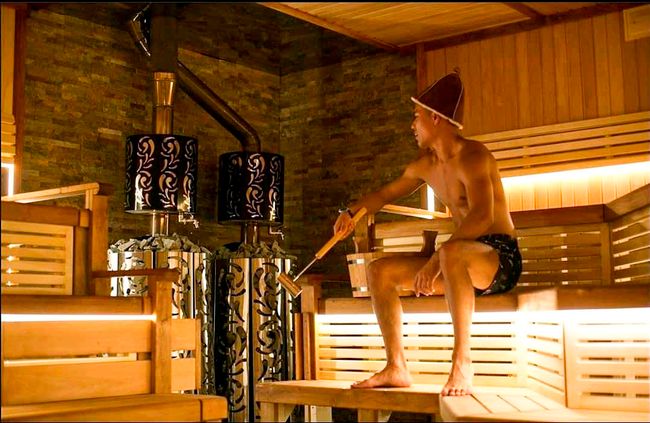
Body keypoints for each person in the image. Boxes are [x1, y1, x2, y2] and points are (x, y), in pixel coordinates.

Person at [333, 70, 522, 397]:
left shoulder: (474, 156)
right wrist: (350, 213)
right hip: (456, 261)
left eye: (416, 116)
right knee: (379, 272)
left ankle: (462, 363)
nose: (412, 125)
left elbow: (482, 215)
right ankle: (396, 366)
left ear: (436, 118)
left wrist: (435, 261)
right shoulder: (425, 165)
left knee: (450, 253)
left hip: (497, 259)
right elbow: (384, 195)